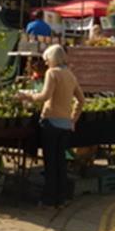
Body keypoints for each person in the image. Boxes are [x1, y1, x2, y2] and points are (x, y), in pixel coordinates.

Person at [18, 45, 85, 208]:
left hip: (51, 122)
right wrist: (73, 119)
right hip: (64, 125)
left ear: (53, 58)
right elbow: (82, 100)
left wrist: (26, 95)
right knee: (60, 162)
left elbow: (44, 96)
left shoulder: (52, 73)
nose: (46, 63)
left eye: (47, 59)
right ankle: (61, 199)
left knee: (50, 163)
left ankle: (48, 199)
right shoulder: (70, 75)